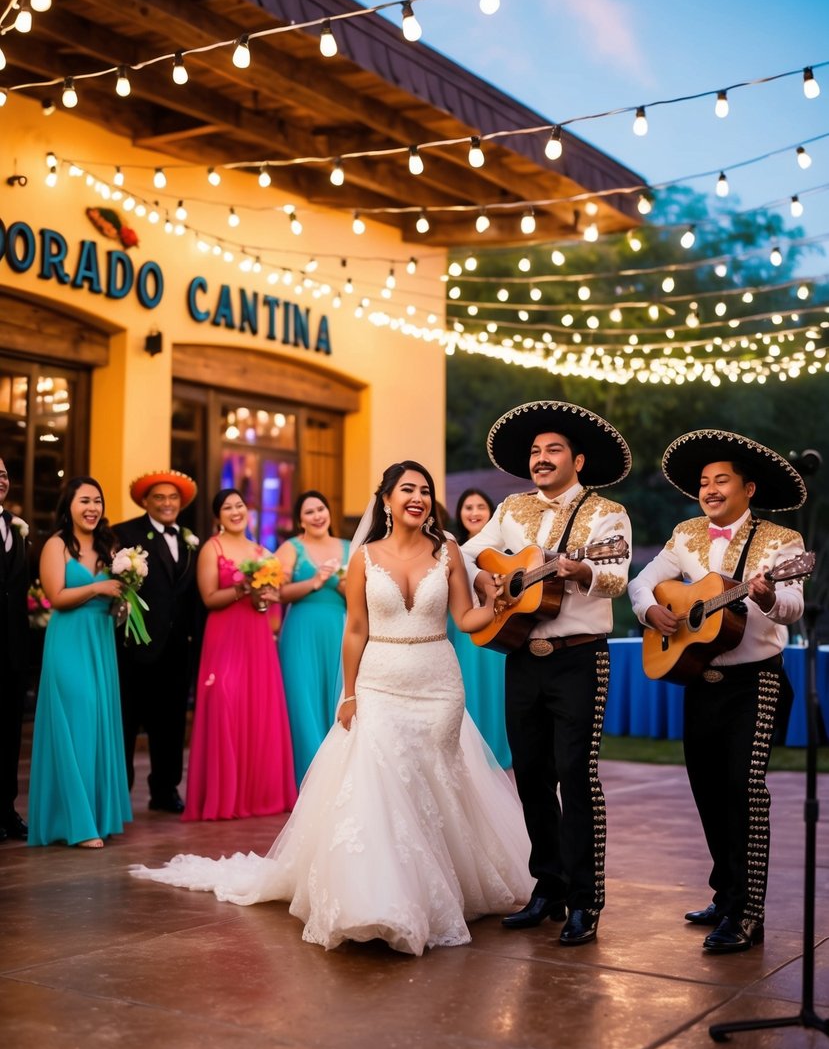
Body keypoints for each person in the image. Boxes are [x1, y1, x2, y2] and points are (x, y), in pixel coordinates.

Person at [131, 460, 532, 956]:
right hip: (379, 681)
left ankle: (443, 882)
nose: (419, 497)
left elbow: (465, 618)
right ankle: (381, 898)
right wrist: (349, 692)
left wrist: (498, 604)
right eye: (407, 489)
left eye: (425, 490)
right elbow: (356, 629)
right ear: (385, 499)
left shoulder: (448, 550)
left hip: (438, 683)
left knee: (432, 780)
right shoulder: (363, 556)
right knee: (381, 780)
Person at [628, 429, 807, 954]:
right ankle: (725, 893)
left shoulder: (782, 543)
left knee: (744, 793)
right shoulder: (686, 534)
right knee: (707, 791)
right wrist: (650, 611)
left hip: (758, 681)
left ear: (748, 488)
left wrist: (771, 593)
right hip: (699, 678)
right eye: (704, 482)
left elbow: (793, 607)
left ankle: (748, 913)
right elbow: (643, 582)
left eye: (720, 480)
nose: (708, 489)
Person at [462, 401, 632, 946]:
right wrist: (491, 584)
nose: (540, 458)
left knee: (576, 776)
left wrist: (583, 567)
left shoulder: (607, 515)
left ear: (577, 459)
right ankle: (548, 887)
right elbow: (469, 556)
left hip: (580, 657)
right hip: (521, 655)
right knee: (531, 775)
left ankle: (586, 900)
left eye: (552, 449)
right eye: (535, 451)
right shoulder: (512, 507)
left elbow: (617, 577)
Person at [28, 478, 132, 848]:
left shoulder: (110, 546)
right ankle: (78, 822)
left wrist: (123, 602)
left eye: (98, 501)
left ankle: (95, 815)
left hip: (100, 640)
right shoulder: (55, 545)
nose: (92, 507)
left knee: (98, 720)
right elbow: (55, 596)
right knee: (77, 717)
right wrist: (97, 588)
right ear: (68, 505)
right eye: (84, 500)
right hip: (68, 640)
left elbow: (117, 595)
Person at [184, 489, 296, 820]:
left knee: (257, 708)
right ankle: (224, 797)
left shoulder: (263, 552)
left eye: (240, 506)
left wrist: (263, 597)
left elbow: (267, 603)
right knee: (225, 702)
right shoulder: (212, 549)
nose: (235, 512)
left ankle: (259, 795)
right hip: (224, 636)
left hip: (257, 637)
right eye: (227, 508)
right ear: (218, 516)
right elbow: (208, 598)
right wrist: (243, 587)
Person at [114, 470, 200, 813]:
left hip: (178, 647)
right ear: (146, 502)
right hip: (136, 645)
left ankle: (165, 791)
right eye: (160, 498)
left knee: (172, 723)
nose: (167, 503)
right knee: (127, 721)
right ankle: (121, 793)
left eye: (173, 498)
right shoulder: (125, 533)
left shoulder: (192, 539)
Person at [274, 490, 348, 785]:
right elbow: (278, 593)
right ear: (300, 521)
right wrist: (314, 581)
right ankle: (308, 780)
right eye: (309, 512)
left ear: (329, 512)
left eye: (321, 509)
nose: (317, 516)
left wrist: (342, 585)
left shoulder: (348, 546)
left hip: (339, 630)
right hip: (301, 632)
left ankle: (338, 779)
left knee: (338, 700)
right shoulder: (291, 548)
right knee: (301, 700)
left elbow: (362, 596)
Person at [448, 488, 511, 767]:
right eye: (468, 507)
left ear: (492, 512)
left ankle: (500, 749)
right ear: (459, 514)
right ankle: (470, 753)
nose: (474, 513)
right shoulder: (452, 553)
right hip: (464, 633)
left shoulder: (509, 554)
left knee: (498, 691)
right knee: (468, 689)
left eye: (480, 507)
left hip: (501, 631)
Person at [0, 457, 30, 841]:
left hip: (13, 649)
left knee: (9, 736)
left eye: (4, 475)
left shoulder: (16, 527)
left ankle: (7, 810)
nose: (1, 481)